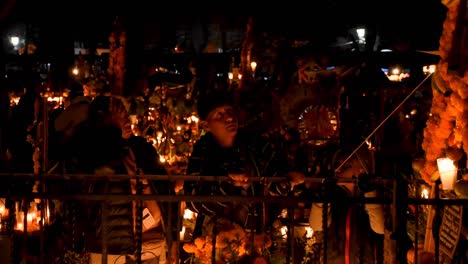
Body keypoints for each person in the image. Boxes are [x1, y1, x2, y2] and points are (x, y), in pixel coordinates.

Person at [183, 90, 307, 260]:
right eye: (219, 114)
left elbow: (274, 179)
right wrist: (228, 186)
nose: (229, 118)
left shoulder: (255, 144)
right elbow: (192, 200)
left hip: (254, 241)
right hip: (213, 246)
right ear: (206, 125)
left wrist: (288, 181)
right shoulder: (203, 150)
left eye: (230, 111)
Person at [67, 95, 178, 264]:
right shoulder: (90, 148)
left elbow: (166, 193)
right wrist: (112, 129)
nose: (126, 119)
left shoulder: (142, 148)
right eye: (119, 114)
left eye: (126, 114)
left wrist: (174, 237)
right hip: (111, 248)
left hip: (152, 244)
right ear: (101, 116)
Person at [308, 144, 385, 264]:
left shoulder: (375, 193)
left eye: (347, 165)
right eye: (337, 164)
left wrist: (370, 192)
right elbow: (317, 225)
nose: (339, 169)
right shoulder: (334, 194)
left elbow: (380, 228)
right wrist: (323, 196)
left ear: (362, 170)